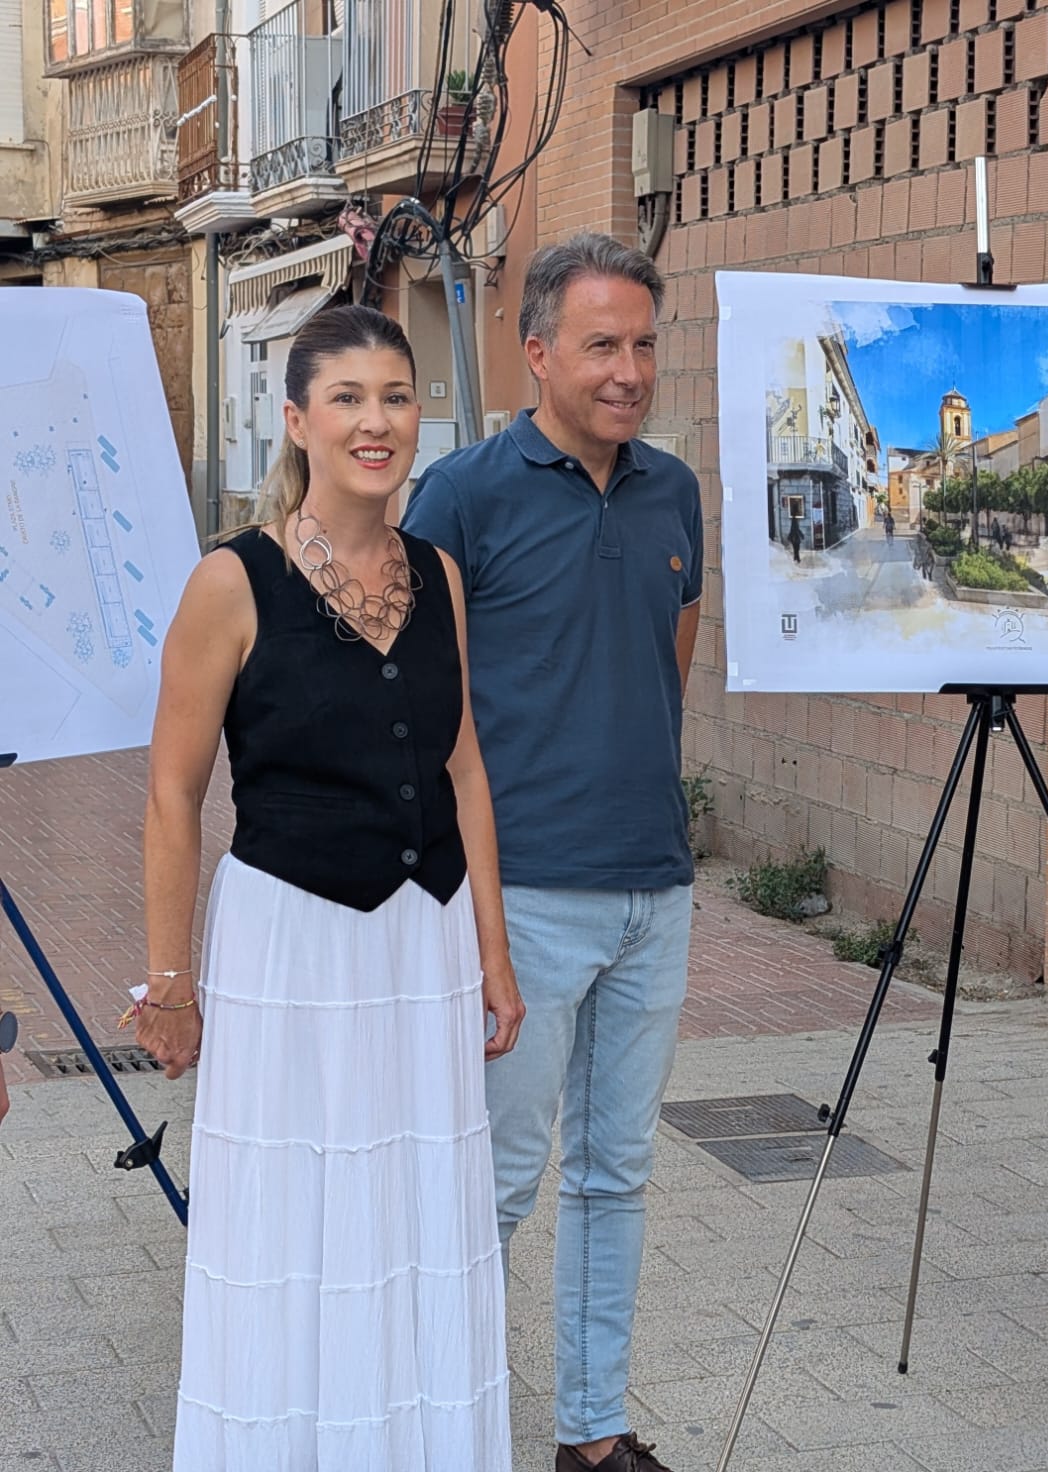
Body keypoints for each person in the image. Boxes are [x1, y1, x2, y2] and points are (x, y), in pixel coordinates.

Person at [139, 305, 523, 1469]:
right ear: (298, 420)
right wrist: (168, 981)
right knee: (295, 1215)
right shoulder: (231, 579)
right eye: (347, 398)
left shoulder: (440, 574)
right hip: (291, 942)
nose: (376, 420)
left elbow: (463, 768)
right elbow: (170, 794)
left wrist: (494, 957)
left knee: (415, 1206)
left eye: (397, 396)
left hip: (425, 942)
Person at [402, 233, 702, 1472]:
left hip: (656, 892)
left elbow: (671, 661)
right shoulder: (462, 495)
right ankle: (433, 1422)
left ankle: (592, 1432)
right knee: (496, 1183)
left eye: (641, 343)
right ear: (535, 352)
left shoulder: (675, 488)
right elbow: (423, 699)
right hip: (518, 895)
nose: (627, 369)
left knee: (616, 1178)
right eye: (601, 344)